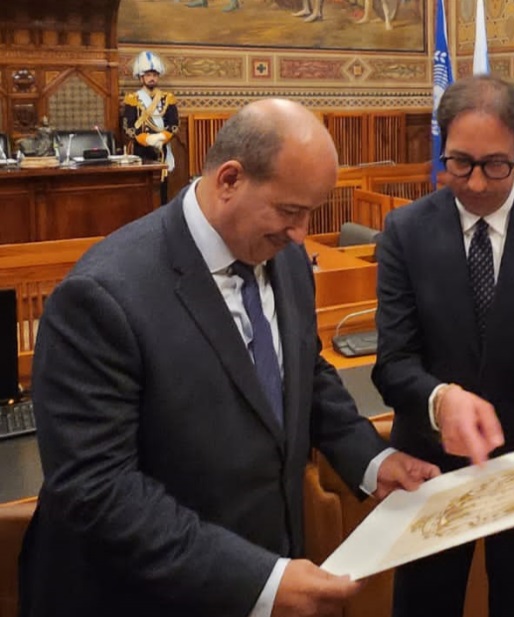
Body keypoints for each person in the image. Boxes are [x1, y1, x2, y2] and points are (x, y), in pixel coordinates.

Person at [19, 99, 439, 617]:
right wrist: (258, 582)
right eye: (290, 211)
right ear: (230, 180)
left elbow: (304, 374)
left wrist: (372, 462)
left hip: (266, 570)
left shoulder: (286, 260)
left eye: (310, 213)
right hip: (149, 597)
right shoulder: (102, 296)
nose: (301, 234)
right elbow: (98, 490)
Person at [373, 75, 514, 617]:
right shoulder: (405, 230)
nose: (476, 183)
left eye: (495, 165)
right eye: (460, 163)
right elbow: (394, 363)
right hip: (431, 470)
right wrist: (440, 400)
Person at [123, 50, 180, 202]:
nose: (152, 78)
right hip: (141, 150)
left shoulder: (167, 98)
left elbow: (174, 124)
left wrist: (162, 137)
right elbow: (128, 127)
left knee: (161, 190)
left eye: (154, 75)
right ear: (141, 77)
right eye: (148, 75)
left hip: (161, 149)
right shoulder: (133, 99)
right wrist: (146, 139)